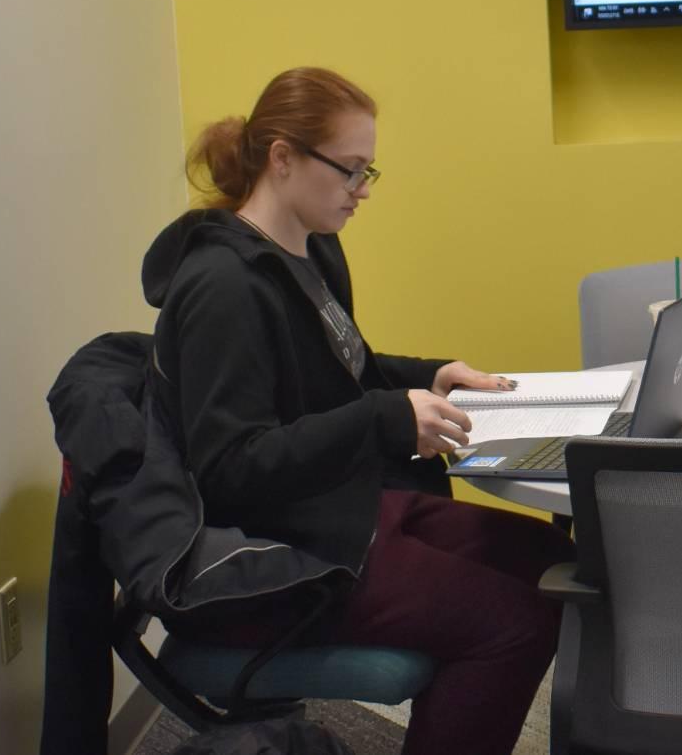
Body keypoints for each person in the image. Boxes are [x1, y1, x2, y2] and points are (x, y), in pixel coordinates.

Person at [141, 67, 573, 755]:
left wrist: (432, 377)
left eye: (370, 170)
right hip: (275, 553)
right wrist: (385, 418)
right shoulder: (223, 287)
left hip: (335, 505)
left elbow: (344, 376)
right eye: (349, 171)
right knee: (513, 622)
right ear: (282, 158)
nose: (363, 189)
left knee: (555, 562)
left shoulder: (309, 249)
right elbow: (227, 470)